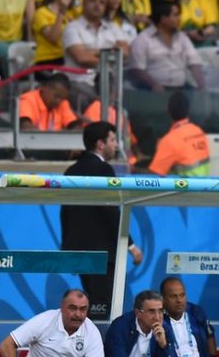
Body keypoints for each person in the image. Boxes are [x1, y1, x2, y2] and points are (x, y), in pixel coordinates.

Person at [61, 121, 143, 320]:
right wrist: (131, 246)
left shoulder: (71, 171)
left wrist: (69, 251)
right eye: (113, 140)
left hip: (80, 252)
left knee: (89, 305)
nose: (116, 145)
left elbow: (65, 213)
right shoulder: (104, 169)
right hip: (102, 254)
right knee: (101, 307)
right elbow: (110, 211)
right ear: (100, 144)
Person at [63, 0, 130, 107]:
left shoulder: (112, 27)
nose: (97, 5)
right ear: (84, 3)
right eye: (92, 0)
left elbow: (124, 53)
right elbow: (82, 58)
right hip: (80, 84)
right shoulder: (72, 28)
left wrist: (91, 52)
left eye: (102, 2)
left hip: (109, 84)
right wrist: (110, 52)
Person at [0, 289, 104, 357]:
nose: (78, 314)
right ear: (62, 307)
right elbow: (6, 345)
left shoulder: (92, 332)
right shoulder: (44, 321)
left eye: (83, 309)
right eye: (72, 308)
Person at [128, 0, 205, 90]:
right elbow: (136, 69)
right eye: (175, 15)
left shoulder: (182, 38)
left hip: (181, 89)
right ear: (163, 18)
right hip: (151, 91)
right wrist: (154, 85)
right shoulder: (142, 40)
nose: (179, 18)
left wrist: (201, 86)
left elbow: (194, 63)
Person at [149, 91, 210, 176]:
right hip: (203, 183)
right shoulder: (198, 131)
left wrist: (135, 171)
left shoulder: (169, 141)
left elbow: (154, 177)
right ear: (188, 110)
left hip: (182, 184)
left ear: (168, 111)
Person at [160, 277, 217, 357]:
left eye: (182, 295)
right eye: (173, 296)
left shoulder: (195, 312)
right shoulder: (158, 318)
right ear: (163, 299)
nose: (179, 300)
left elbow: (210, 336)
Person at [104, 290, 172, 356]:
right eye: (151, 311)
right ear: (138, 313)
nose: (157, 317)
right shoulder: (120, 327)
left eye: (160, 311)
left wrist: (163, 346)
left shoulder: (164, 329)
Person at [32, 0, 74, 73]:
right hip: (47, 61)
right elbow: (53, 38)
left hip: (65, 58)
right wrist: (62, 13)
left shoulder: (69, 15)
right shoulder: (41, 13)